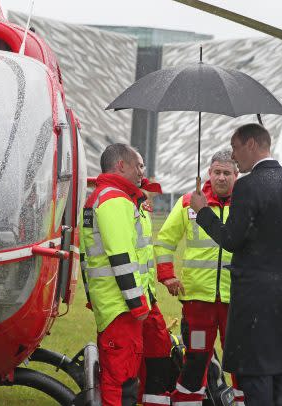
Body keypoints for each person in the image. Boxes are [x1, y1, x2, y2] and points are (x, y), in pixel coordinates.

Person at [189, 123, 282, 406]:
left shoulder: (246, 186)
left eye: (235, 149)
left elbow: (231, 239)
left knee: (256, 374)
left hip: (253, 297)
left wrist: (204, 213)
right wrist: (277, 263)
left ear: (251, 145)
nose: (234, 158)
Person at [154, 149, 245, 406]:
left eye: (227, 173)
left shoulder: (247, 204)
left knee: (240, 361)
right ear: (209, 173)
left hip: (236, 299)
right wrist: (167, 276)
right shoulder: (188, 202)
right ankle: (187, 402)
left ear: (237, 175)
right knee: (195, 359)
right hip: (197, 300)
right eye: (217, 172)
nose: (222, 178)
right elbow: (164, 242)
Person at [79, 143, 151, 405]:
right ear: (121, 165)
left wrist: (92, 297)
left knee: (116, 378)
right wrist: (137, 303)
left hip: (110, 303)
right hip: (122, 307)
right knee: (121, 382)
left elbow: (86, 258)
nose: (142, 172)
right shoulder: (114, 198)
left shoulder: (98, 196)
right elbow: (122, 257)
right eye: (138, 165)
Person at [138, 178, 176, 406]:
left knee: (158, 344)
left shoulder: (141, 214)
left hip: (144, 296)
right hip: (134, 298)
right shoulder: (129, 210)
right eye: (148, 194)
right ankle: (149, 395)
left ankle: (151, 395)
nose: (151, 199)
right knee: (151, 346)